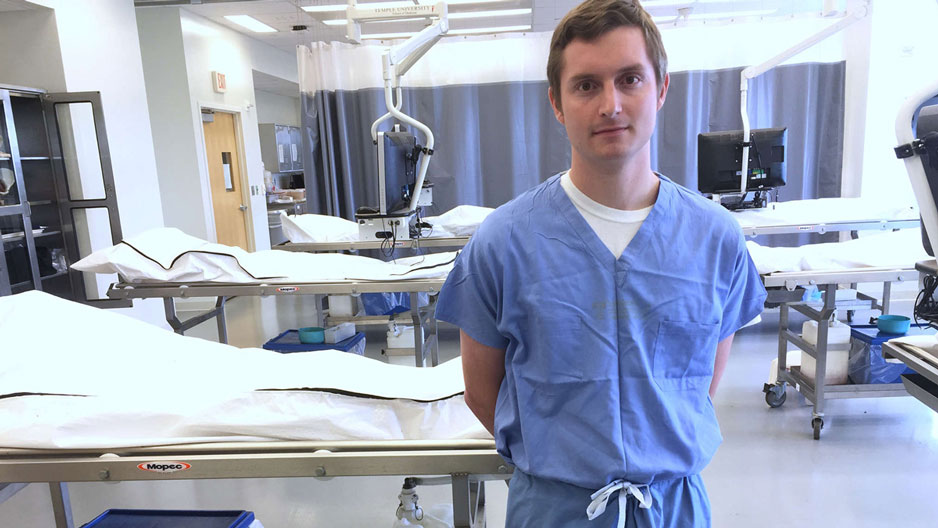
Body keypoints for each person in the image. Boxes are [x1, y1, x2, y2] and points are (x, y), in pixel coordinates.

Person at [435, 0, 767, 526]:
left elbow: (700, 383)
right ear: (558, 104)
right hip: (552, 508)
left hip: (672, 506)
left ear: (660, 89)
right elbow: (482, 393)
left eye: (630, 79)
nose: (610, 104)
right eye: (586, 85)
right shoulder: (503, 242)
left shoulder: (714, 238)